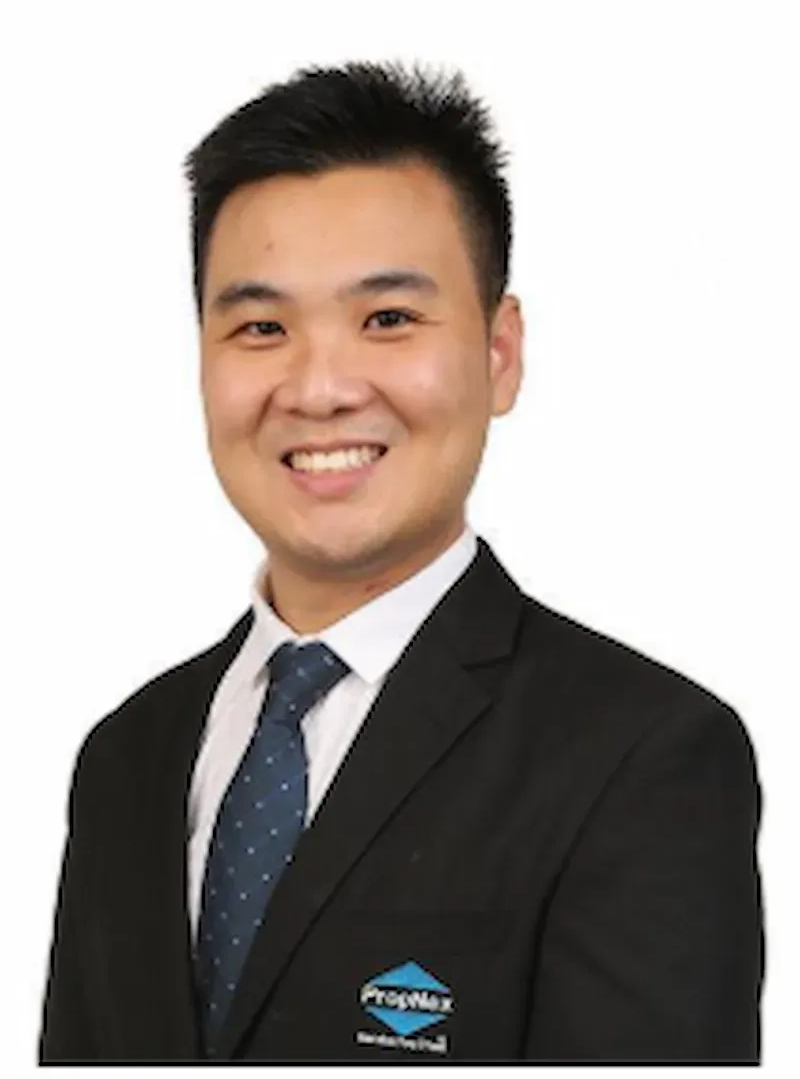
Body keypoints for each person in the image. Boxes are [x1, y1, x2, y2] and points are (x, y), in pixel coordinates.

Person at [37, 59, 764, 1064]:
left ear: (498, 353)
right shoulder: (126, 757)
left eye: (387, 319)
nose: (319, 387)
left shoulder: (641, 756)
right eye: (260, 327)